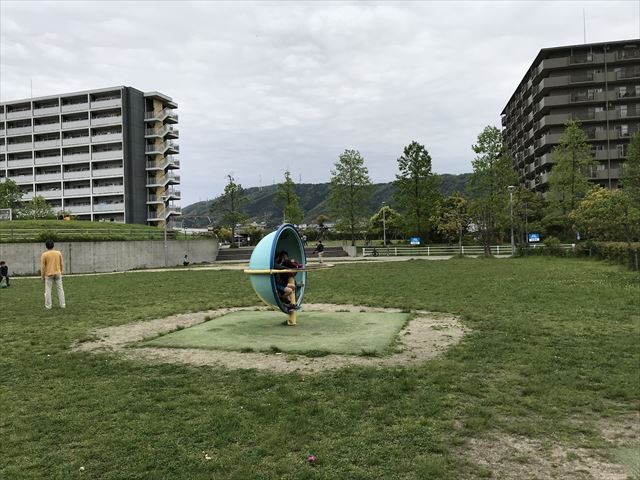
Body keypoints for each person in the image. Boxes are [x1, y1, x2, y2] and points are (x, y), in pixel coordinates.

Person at [41, 239, 65, 310]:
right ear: (53, 245)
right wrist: (61, 272)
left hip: (48, 274)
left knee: (48, 290)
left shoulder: (44, 254)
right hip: (58, 273)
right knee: (60, 289)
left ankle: (48, 306)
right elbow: (61, 263)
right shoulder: (58, 253)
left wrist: (42, 276)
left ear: (46, 246)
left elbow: (43, 267)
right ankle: (62, 305)